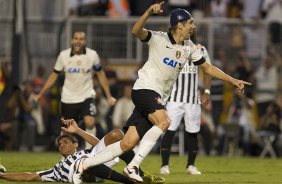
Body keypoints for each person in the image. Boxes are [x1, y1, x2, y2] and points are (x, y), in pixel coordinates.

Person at [71, 2, 251, 183]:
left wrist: (233, 80)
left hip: (156, 97)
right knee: (164, 121)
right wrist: (148, 12)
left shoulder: (189, 47)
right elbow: (136, 31)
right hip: (145, 89)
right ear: (180, 24)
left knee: (127, 144)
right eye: (191, 22)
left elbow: (208, 69)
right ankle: (133, 166)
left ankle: (85, 165)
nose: (194, 26)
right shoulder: (158, 38)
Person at [0, 118, 164, 184]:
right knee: (85, 165)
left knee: (117, 135)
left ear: (75, 144)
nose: (61, 145)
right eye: (59, 144)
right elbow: (30, 176)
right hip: (87, 173)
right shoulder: (56, 169)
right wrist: (2, 175)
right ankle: (129, 182)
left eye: (65, 141)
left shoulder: (85, 152)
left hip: (94, 161)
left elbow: (101, 144)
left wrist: (77, 130)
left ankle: (138, 173)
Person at [34, 31, 116, 149]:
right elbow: (54, 75)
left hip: (87, 95)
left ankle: (89, 153)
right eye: (76, 38)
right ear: (72, 40)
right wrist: (41, 93)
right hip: (68, 97)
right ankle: (65, 158)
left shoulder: (92, 55)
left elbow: (101, 74)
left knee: (90, 122)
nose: (78, 41)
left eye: (81, 39)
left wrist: (108, 95)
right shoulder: (63, 55)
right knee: (67, 129)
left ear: (85, 41)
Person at [160, 29, 211, 175]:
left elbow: (207, 71)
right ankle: (164, 165)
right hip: (174, 98)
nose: (190, 31)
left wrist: (207, 92)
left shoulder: (200, 49)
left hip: (192, 100)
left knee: (192, 132)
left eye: (192, 30)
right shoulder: (172, 47)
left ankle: (191, 166)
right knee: (168, 131)